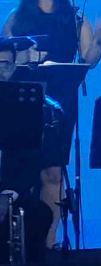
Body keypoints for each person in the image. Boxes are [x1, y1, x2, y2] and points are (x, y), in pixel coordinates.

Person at [2, 0, 101, 250]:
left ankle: (48, 242)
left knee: (53, 171)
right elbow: (4, 59)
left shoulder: (74, 17)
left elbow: (89, 60)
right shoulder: (18, 17)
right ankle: (16, 242)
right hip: (25, 100)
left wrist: (99, 35)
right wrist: (24, 57)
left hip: (61, 102)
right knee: (22, 171)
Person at [0, 37, 54, 264]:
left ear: (14, 67)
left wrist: (7, 195)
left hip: (8, 191)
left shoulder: (25, 107)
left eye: (5, 65)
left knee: (40, 213)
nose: (0, 71)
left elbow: (30, 159)